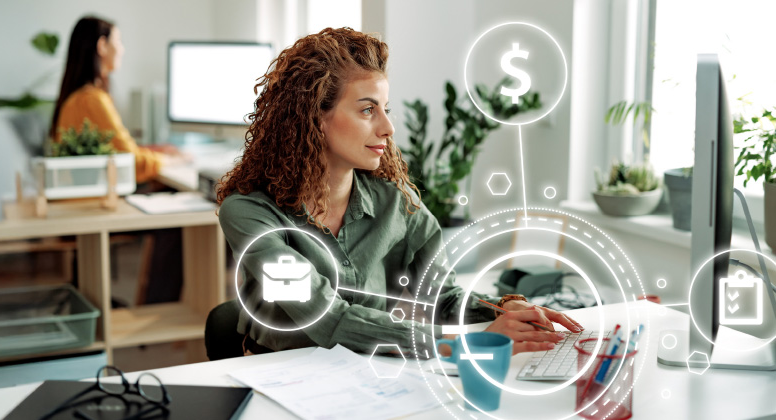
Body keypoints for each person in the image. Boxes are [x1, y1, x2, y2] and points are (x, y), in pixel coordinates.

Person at [216, 27, 583, 356]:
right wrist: (459, 343)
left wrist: (502, 312)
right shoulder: (248, 212)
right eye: (367, 110)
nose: (388, 127)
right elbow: (325, 316)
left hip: (368, 369)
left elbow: (442, 295)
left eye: (385, 109)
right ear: (314, 117)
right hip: (279, 372)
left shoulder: (395, 200)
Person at [50, 15, 180, 184]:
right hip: (93, 202)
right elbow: (131, 162)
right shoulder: (92, 99)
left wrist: (156, 151)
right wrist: (173, 161)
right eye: (118, 41)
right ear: (102, 46)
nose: (122, 49)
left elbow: (119, 149)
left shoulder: (78, 97)